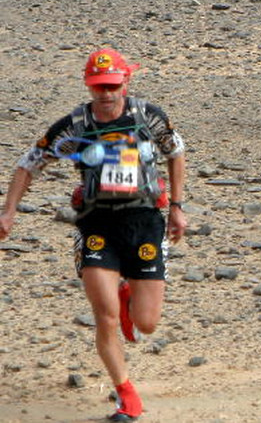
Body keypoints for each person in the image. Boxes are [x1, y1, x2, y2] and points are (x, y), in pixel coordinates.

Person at [1, 49, 188, 423]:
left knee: (147, 323)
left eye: (112, 86)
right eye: (98, 86)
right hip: (96, 223)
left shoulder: (148, 117)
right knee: (103, 317)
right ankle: (126, 394)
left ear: (125, 83)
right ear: (89, 85)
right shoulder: (74, 125)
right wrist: (8, 211)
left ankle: (127, 294)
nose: (105, 94)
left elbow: (176, 151)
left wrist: (178, 207)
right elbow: (28, 163)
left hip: (145, 219)